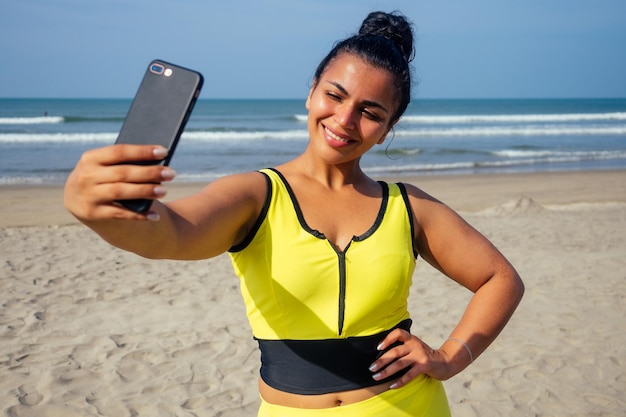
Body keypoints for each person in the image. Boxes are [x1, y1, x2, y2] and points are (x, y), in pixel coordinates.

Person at [64, 11, 524, 416]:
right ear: (311, 92)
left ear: (387, 129)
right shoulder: (257, 195)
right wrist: (102, 211)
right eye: (335, 95)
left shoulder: (408, 206)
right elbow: (172, 235)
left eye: (370, 111)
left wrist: (448, 358)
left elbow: (500, 279)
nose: (344, 120)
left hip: (410, 409)